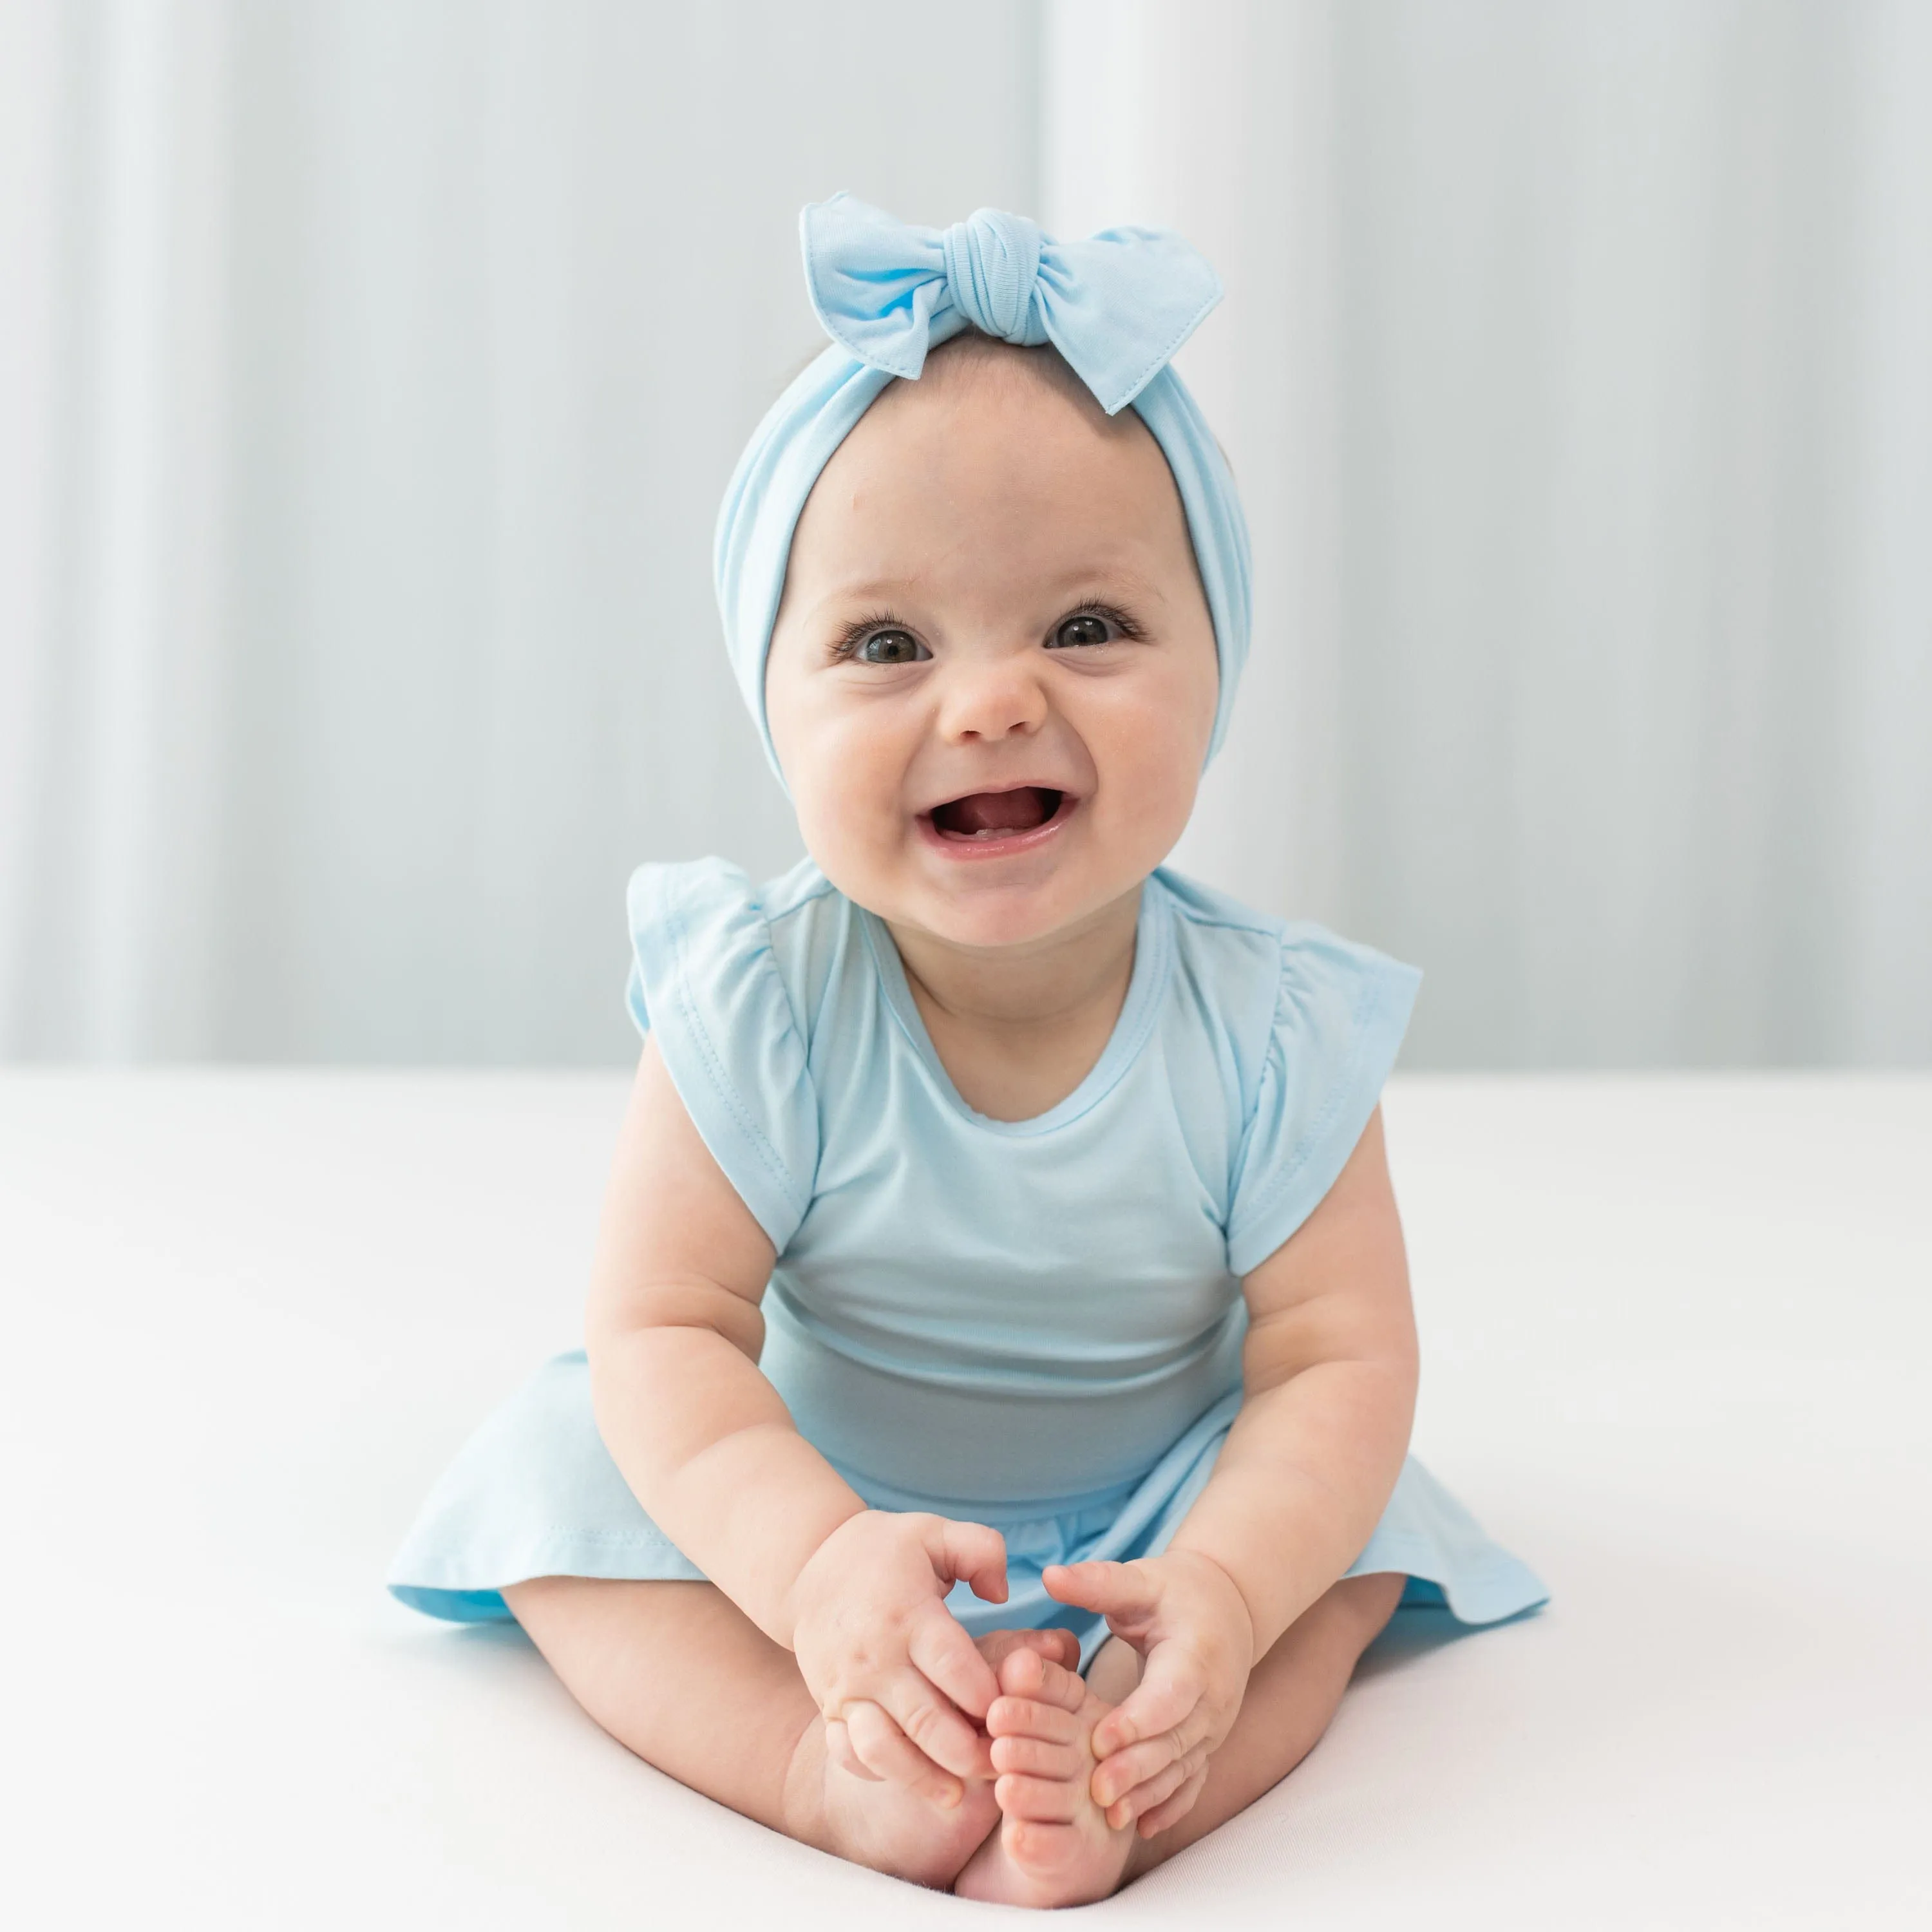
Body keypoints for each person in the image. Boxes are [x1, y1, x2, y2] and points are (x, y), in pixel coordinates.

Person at [388, 194, 1546, 1908]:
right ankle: (820, 1765)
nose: (993, 701)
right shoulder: (762, 998)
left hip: (1167, 1503)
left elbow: (1334, 1365)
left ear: (1217, 670)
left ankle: (1158, 1760)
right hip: (821, 1483)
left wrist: (1226, 1584)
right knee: (567, 1472)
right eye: (884, 644)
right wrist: (808, 1570)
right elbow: (665, 1327)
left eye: (1086, 627)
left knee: (1348, 1541)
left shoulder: (1272, 1029)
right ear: (767, 704)